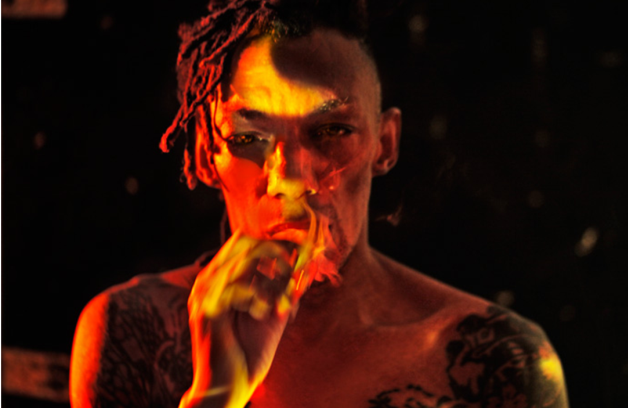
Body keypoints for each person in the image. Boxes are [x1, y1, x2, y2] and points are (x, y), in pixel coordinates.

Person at [69, 1, 569, 407]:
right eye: (248, 138)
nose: (289, 178)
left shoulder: (496, 358)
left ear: (384, 145)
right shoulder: (136, 330)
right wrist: (215, 396)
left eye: (331, 131)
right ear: (204, 155)